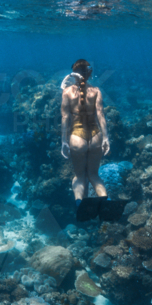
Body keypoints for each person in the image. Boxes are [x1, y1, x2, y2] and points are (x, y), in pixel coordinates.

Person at [60, 59, 126, 222]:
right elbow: (101, 115)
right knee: (94, 175)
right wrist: (106, 138)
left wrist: (64, 141)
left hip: (77, 137)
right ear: (89, 73)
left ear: (73, 75)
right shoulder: (96, 90)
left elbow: (65, 117)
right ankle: (106, 203)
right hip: (96, 135)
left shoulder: (67, 92)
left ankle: (79, 205)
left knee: (79, 177)